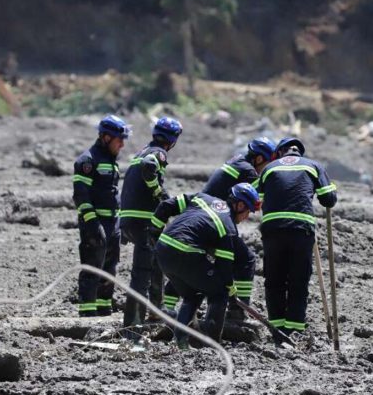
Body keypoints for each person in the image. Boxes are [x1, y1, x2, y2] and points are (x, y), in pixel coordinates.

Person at [149, 184, 260, 348]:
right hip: (186, 252)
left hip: (163, 249)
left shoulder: (203, 198)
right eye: (248, 211)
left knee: (192, 295)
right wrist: (231, 291)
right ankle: (212, 344)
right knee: (219, 292)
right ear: (240, 205)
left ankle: (181, 341)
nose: (246, 216)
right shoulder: (228, 227)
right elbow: (224, 267)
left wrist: (154, 232)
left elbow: (166, 205)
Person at [257, 137, 337, 339]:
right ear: (299, 152)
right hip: (301, 230)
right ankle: (295, 330)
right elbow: (329, 199)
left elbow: (255, 197)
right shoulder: (313, 166)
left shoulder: (269, 168)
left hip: (273, 230)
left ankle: (277, 329)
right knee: (298, 280)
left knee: (274, 279)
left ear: (281, 152)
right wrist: (329, 187)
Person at [117, 117, 182, 327]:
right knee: (141, 274)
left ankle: (156, 311)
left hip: (129, 219)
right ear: (172, 140)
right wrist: (160, 194)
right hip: (143, 221)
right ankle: (132, 325)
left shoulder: (142, 150)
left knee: (155, 263)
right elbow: (149, 167)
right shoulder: (157, 153)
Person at [202, 137, 277, 318]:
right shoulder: (249, 172)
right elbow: (258, 201)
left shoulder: (238, 160)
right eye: (267, 163)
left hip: (205, 217)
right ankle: (237, 312)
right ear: (259, 159)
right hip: (216, 223)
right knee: (246, 260)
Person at [72, 115, 129, 317]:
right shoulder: (87, 160)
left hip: (112, 222)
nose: (122, 144)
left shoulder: (111, 161)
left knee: (110, 267)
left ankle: (104, 308)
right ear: (106, 137)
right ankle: (87, 313)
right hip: (95, 223)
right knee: (92, 267)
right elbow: (80, 194)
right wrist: (92, 224)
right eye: (119, 139)